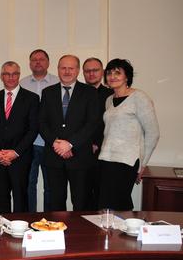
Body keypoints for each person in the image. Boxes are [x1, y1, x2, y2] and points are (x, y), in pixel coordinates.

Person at [39, 54, 99, 211]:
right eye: (63, 68)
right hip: (54, 156)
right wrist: (56, 143)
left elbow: (92, 123)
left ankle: (80, 235)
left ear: (78, 70)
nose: (67, 71)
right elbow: (42, 122)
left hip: (80, 156)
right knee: (56, 202)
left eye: (71, 68)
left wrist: (70, 144)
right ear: (58, 69)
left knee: (81, 201)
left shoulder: (90, 92)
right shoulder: (48, 92)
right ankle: (56, 233)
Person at [98, 59, 159, 210]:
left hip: (127, 160)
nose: (112, 76)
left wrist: (142, 165)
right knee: (105, 204)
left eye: (117, 72)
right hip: (106, 158)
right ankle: (108, 233)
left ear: (127, 77)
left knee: (120, 203)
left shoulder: (139, 97)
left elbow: (153, 133)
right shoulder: (109, 100)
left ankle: (124, 233)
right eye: (109, 73)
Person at [0, 62, 39, 213]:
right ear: (2, 76)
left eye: (14, 74)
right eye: (7, 74)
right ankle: (2, 232)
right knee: (0, 198)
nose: (11, 77)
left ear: (19, 75)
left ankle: (20, 232)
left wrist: (14, 152)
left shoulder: (31, 98)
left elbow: (33, 129)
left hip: (20, 157)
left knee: (21, 198)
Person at [20, 49, 59, 212]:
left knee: (51, 186)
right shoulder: (21, 84)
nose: (38, 62)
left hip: (51, 143)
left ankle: (48, 220)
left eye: (41, 59)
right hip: (29, 144)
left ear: (48, 62)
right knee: (29, 184)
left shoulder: (58, 83)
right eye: (34, 60)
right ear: (29, 64)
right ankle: (30, 217)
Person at [82, 57, 113, 209]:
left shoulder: (111, 94)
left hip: (104, 151)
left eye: (95, 70)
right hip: (81, 150)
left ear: (102, 72)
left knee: (102, 194)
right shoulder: (78, 92)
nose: (91, 74)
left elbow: (110, 125)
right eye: (87, 71)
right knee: (83, 194)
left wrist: (97, 143)